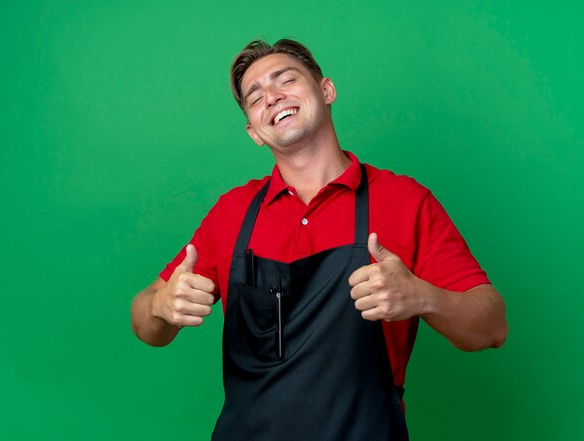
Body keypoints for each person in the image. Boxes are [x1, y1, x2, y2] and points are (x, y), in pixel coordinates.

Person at [131, 39, 508, 440]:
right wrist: (160, 305)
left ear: (326, 90)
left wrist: (422, 297)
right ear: (253, 131)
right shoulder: (233, 212)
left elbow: (492, 327)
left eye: (285, 80)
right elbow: (145, 324)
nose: (272, 98)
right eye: (255, 97)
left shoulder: (404, 200)